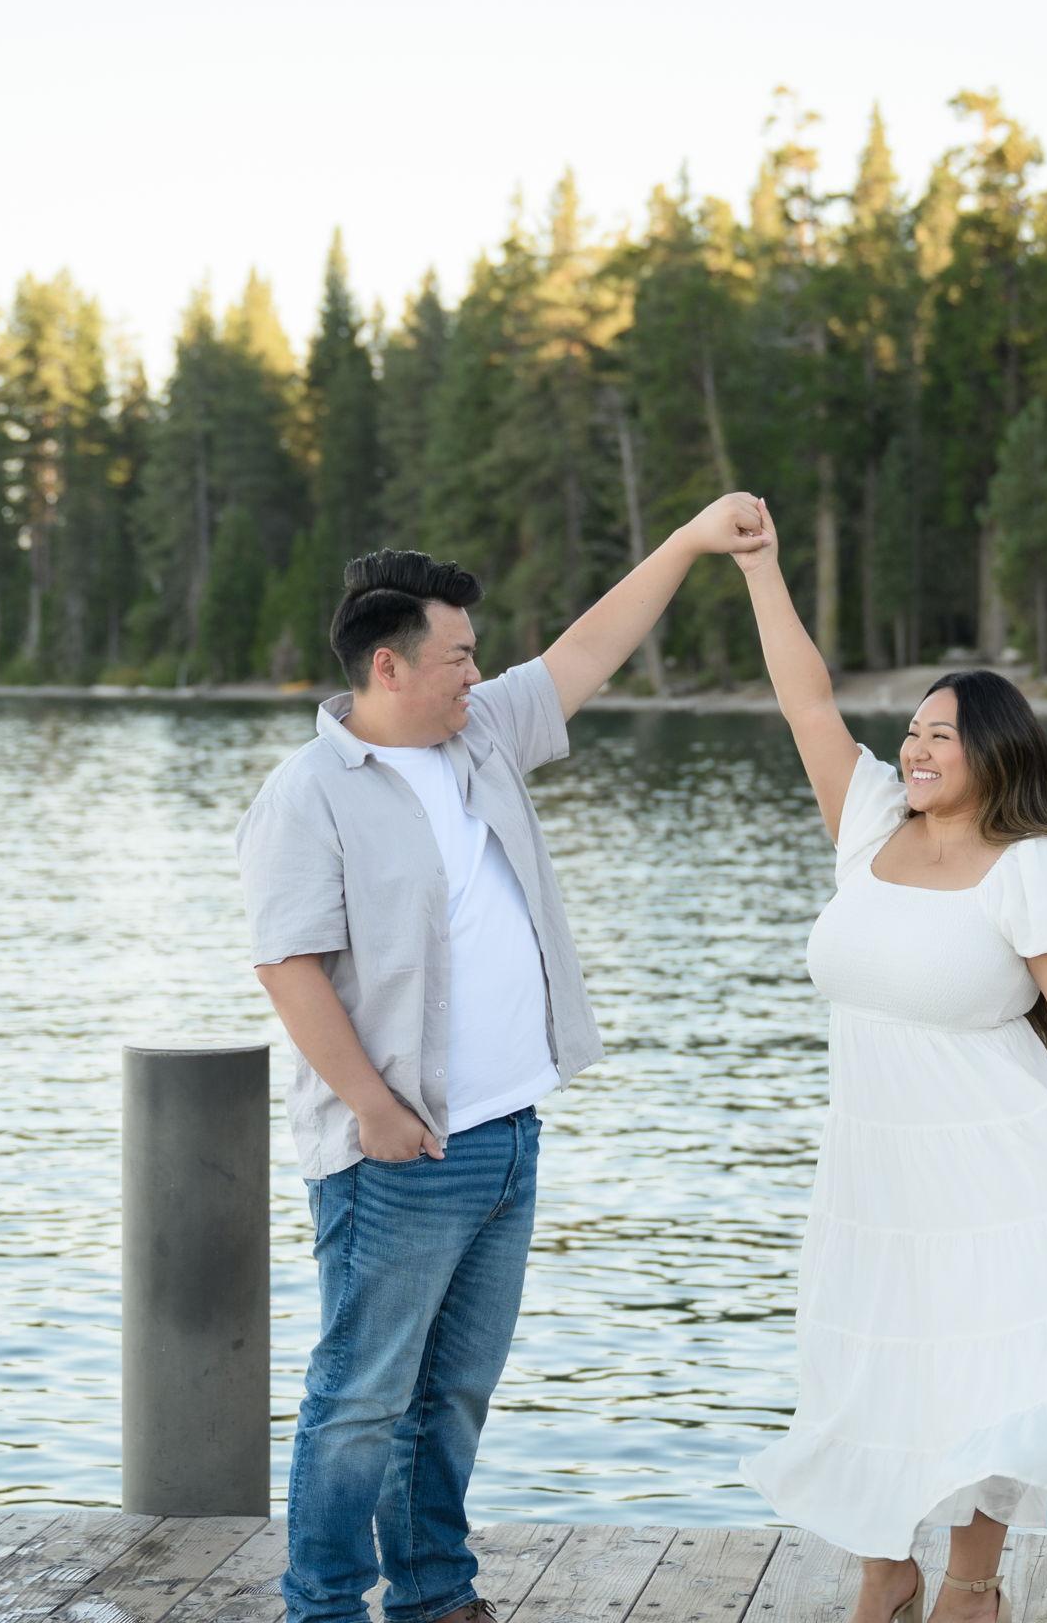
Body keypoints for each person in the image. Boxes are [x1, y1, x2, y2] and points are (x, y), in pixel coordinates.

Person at [237, 495, 766, 1623]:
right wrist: (376, 1110)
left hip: (509, 1129)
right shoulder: (308, 794)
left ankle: (435, 1594)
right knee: (360, 1398)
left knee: (454, 1395)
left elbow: (588, 648)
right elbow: (288, 967)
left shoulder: (479, 734)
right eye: (459, 656)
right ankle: (322, 1605)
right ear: (388, 666)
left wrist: (688, 542)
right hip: (399, 1151)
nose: (478, 674)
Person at [731, 497, 1047, 1623]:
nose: (916, 748)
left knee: (987, 1373)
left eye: (941, 734)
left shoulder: (1030, 865)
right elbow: (805, 700)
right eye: (914, 731)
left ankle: (971, 1585)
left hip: (988, 1163)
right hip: (870, 1166)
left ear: (995, 751)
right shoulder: (868, 823)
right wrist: (759, 568)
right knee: (867, 1367)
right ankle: (882, 1566)